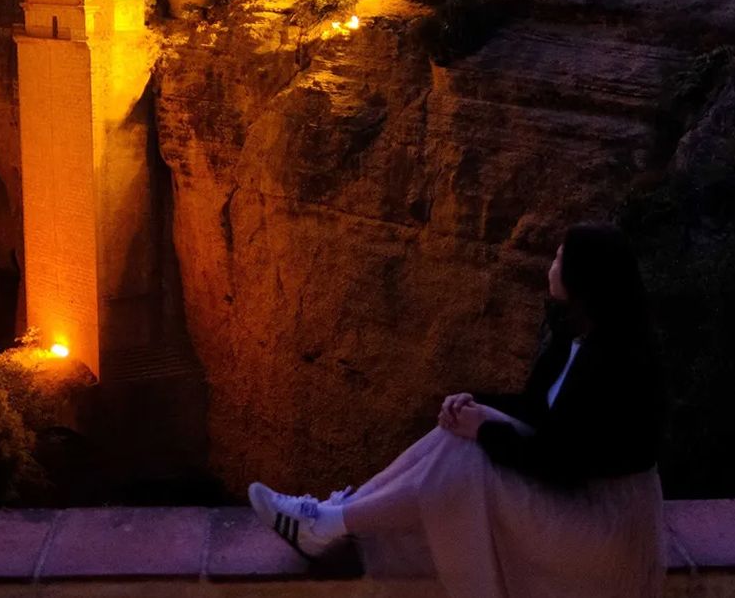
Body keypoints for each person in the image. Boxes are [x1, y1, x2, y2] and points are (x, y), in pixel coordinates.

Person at [248, 224, 666, 598]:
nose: (551, 264)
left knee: (465, 458)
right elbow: (537, 411)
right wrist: (471, 403)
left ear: (584, 277)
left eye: (559, 257)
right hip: (572, 493)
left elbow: (562, 461)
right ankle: (338, 514)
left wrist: (483, 430)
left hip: (605, 527)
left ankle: (331, 524)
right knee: (457, 434)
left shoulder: (618, 362)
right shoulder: (573, 337)